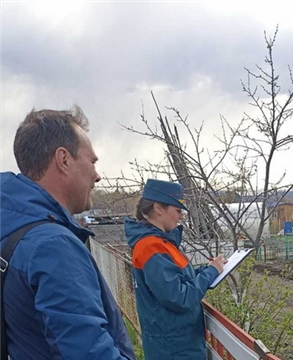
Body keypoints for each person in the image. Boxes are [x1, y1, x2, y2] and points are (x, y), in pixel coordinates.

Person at [0, 106, 135, 359]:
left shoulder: (10, 229)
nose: (97, 176)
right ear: (64, 160)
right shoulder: (52, 247)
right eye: (92, 161)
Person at [124, 179, 227, 360]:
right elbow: (179, 297)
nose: (180, 217)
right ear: (158, 208)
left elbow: (180, 278)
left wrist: (209, 269)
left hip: (179, 344)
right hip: (173, 349)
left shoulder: (163, 243)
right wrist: (211, 273)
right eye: (177, 211)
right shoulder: (151, 247)